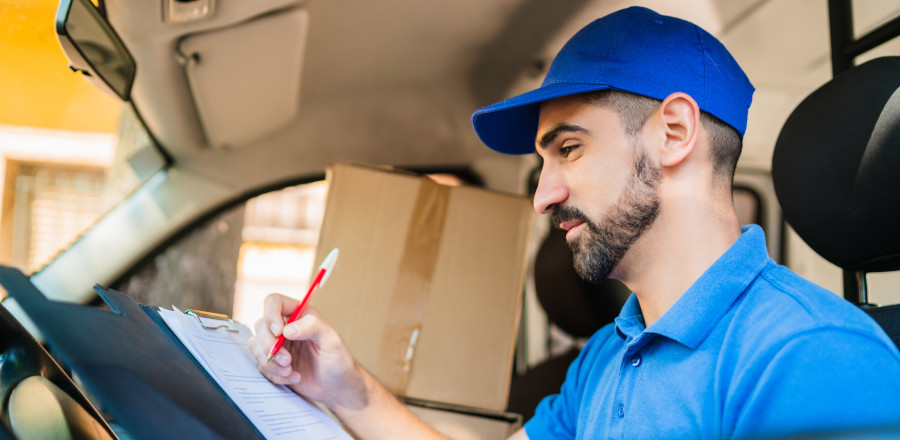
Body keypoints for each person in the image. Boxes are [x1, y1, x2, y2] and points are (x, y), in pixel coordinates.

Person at [249, 6, 900, 439]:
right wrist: (345, 387)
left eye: (569, 149)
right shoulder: (609, 354)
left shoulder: (811, 356)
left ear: (674, 132)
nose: (543, 196)